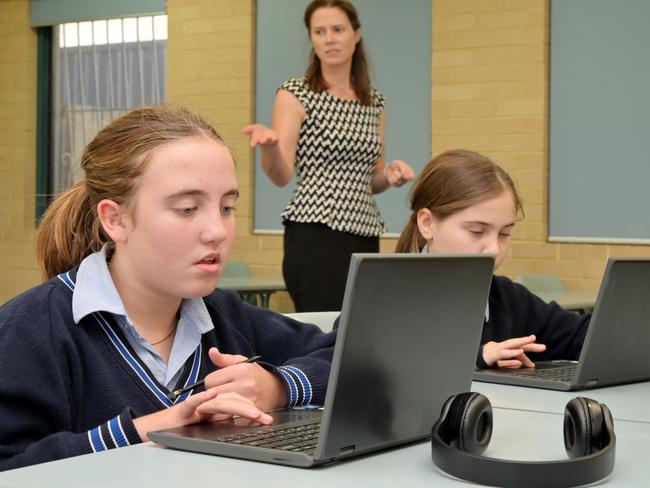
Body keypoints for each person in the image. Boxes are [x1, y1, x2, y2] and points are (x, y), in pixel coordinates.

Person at [0, 106, 335, 472]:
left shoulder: (225, 314)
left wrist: (278, 386)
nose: (218, 231)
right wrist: (145, 429)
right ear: (116, 220)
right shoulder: (30, 328)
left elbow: (353, 354)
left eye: (227, 207)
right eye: (188, 209)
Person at [243, 0, 415, 312]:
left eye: (337, 29)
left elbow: (372, 180)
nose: (329, 38)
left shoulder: (374, 103)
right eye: (319, 31)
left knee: (359, 323)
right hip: (315, 231)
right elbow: (281, 176)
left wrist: (389, 176)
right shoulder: (296, 92)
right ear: (311, 38)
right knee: (324, 328)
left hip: (363, 231)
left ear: (356, 34)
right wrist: (269, 147)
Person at [395, 149, 590, 369]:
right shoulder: (388, 297)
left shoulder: (507, 298)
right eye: (477, 231)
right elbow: (387, 369)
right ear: (427, 223)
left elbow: (584, 336)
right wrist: (478, 358)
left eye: (504, 233)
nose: (494, 248)